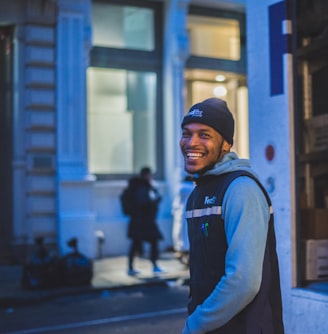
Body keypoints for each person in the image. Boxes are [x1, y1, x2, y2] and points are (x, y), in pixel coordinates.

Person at [179, 97, 284, 333]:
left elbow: (243, 282)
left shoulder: (240, 190)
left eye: (204, 135)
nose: (191, 142)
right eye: (187, 133)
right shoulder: (199, 192)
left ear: (226, 144)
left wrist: (195, 323)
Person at [126, 166, 164, 276]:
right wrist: (154, 201)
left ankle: (132, 267)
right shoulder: (142, 187)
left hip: (140, 221)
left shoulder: (143, 186)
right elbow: (144, 203)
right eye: (149, 175)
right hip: (143, 222)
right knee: (151, 242)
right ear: (145, 175)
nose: (151, 177)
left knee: (138, 243)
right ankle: (153, 266)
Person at [172, 175, 194, 265]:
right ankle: (187, 258)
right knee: (187, 238)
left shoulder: (179, 190)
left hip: (179, 216)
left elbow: (175, 206)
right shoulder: (192, 189)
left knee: (180, 237)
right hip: (189, 216)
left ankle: (181, 254)